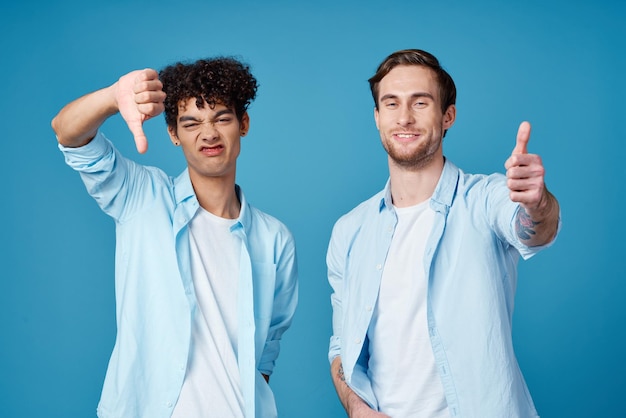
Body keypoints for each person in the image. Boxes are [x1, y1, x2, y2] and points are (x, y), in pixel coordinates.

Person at [51, 57, 298, 418]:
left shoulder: (275, 239)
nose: (209, 134)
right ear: (173, 133)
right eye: (191, 122)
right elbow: (67, 134)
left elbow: (265, 353)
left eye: (222, 118)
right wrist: (110, 98)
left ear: (243, 124)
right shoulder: (142, 196)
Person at [327, 49, 560, 417]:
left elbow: (534, 230)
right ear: (376, 117)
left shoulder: (485, 199)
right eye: (391, 104)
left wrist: (536, 203)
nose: (404, 117)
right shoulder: (350, 231)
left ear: (447, 115)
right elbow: (342, 346)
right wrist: (357, 409)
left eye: (420, 102)